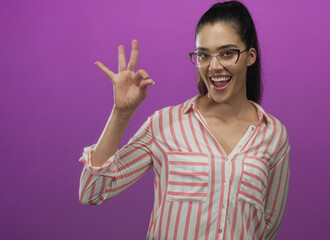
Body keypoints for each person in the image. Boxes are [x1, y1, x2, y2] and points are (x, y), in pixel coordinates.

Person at [78, 1, 290, 239]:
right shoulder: (165, 124)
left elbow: (265, 226)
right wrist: (121, 113)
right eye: (203, 55)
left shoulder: (273, 135)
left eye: (227, 53)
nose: (214, 66)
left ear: (250, 56)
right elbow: (91, 192)